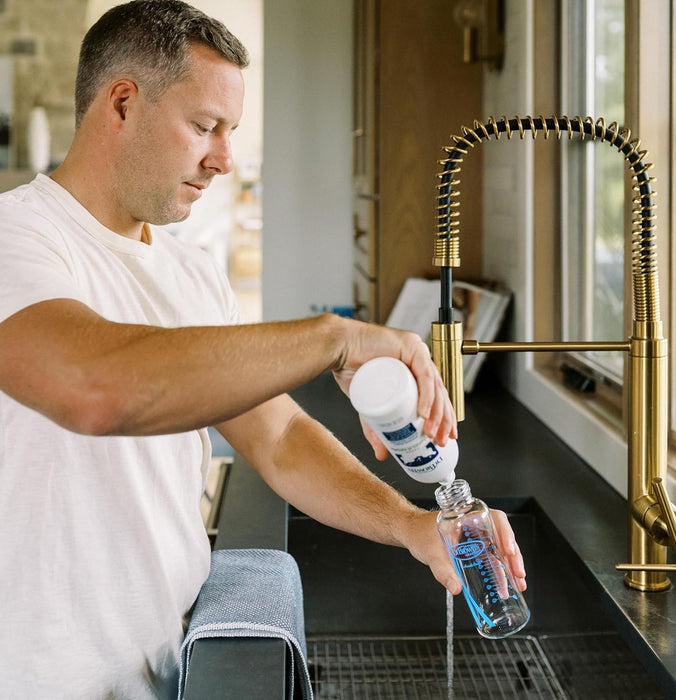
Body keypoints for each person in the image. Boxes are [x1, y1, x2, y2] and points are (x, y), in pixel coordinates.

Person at [0, 1, 526, 697]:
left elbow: (277, 438)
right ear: (122, 102)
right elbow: (94, 388)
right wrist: (335, 337)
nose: (224, 160)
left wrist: (411, 524)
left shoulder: (192, 275)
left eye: (231, 132)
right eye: (204, 126)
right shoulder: (19, 242)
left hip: (159, 672)